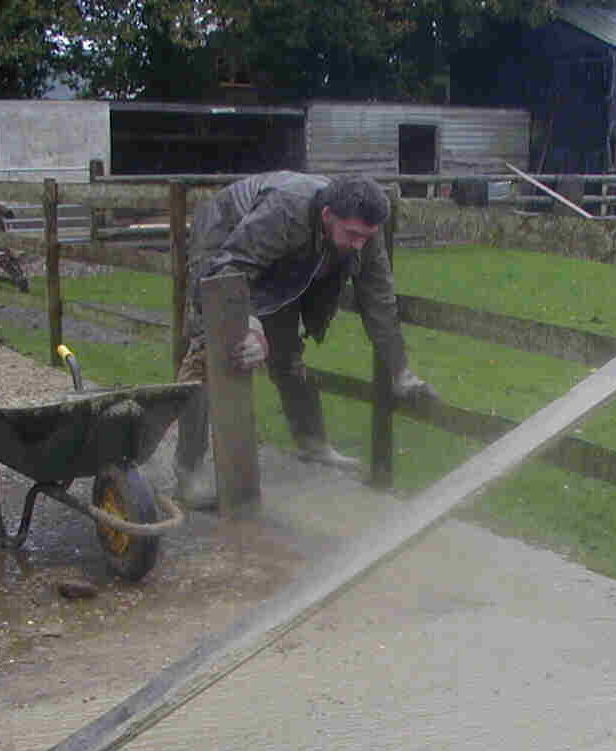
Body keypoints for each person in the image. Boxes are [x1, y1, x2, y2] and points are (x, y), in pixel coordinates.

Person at [173, 171, 437, 506]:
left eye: (366, 238)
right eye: (353, 234)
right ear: (327, 216)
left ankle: (313, 444)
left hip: (284, 253)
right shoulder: (286, 210)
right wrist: (250, 326)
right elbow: (228, 269)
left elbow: (379, 299)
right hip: (225, 238)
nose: (359, 245)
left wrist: (402, 372)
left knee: (285, 349)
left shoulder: (364, 231)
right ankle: (187, 474)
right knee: (208, 353)